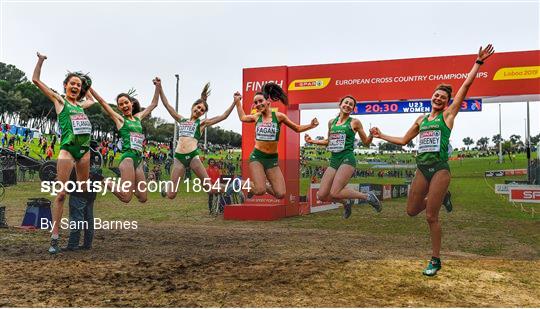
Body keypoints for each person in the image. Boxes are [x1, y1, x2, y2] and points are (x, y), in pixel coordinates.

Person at [370, 44, 495, 276]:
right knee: (410, 211)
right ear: (432, 97)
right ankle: (442, 197)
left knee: (430, 216)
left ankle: (435, 260)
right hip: (422, 169)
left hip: (439, 169)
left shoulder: (448, 116)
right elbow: (404, 140)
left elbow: (465, 87)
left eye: (443, 97)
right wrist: (380, 135)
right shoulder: (421, 119)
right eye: (436, 95)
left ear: (447, 102)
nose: (439, 98)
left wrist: (478, 63)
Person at [32, 52, 95, 254]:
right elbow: (35, 80)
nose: (76, 87)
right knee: (61, 194)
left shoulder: (82, 105)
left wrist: (87, 82)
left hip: (84, 152)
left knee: (84, 191)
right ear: (65, 86)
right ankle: (55, 236)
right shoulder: (60, 102)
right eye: (72, 83)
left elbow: (92, 100)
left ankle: (85, 229)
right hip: (68, 151)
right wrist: (40, 60)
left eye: (78, 85)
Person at [233, 82, 318, 199]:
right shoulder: (256, 117)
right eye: (256, 102)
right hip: (257, 157)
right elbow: (242, 118)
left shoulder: (279, 116)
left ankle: (258, 186)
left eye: (260, 101)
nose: (258, 104)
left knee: (281, 194)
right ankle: (239, 183)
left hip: (272, 159)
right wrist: (237, 102)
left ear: (268, 102)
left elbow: (297, 128)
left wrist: (311, 125)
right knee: (260, 191)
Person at [304, 95, 382, 219]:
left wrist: (371, 135)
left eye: (351, 105)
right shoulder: (331, 122)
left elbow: (366, 142)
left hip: (347, 158)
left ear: (353, 109)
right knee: (322, 195)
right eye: (346, 103)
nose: (348, 105)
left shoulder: (354, 122)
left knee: (335, 192)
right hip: (334, 159)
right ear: (340, 104)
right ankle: (346, 202)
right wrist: (312, 141)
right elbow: (329, 141)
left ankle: (368, 196)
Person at [160, 83, 237, 199]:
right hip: (179, 158)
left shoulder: (201, 123)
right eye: (198, 107)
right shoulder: (182, 120)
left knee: (210, 189)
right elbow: (167, 105)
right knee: (171, 195)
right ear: (193, 106)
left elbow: (223, 116)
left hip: (192, 157)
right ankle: (166, 187)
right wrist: (159, 87)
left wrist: (235, 102)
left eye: (202, 110)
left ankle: (231, 188)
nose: (199, 110)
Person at [88, 78, 160, 203]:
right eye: (121, 104)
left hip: (138, 160)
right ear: (119, 107)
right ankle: (99, 178)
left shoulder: (138, 117)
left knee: (143, 197)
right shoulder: (120, 120)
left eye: (126, 102)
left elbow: (154, 104)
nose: (124, 106)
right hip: (128, 159)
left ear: (131, 103)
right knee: (126, 197)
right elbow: (102, 102)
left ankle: (129, 186)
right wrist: (89, 87)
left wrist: (158, 86)